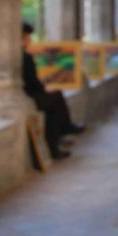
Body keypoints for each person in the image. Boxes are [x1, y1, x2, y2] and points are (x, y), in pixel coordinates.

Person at [22, 22, 85, 160]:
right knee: (54, 103)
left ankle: (64, 130)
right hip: (28, 96)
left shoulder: (22, 56)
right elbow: (32, 82)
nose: (29, 41)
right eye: (28, 37)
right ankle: (56, 143)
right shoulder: (24, 57)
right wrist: (44, 89)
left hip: (28, 93)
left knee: (56, 96)